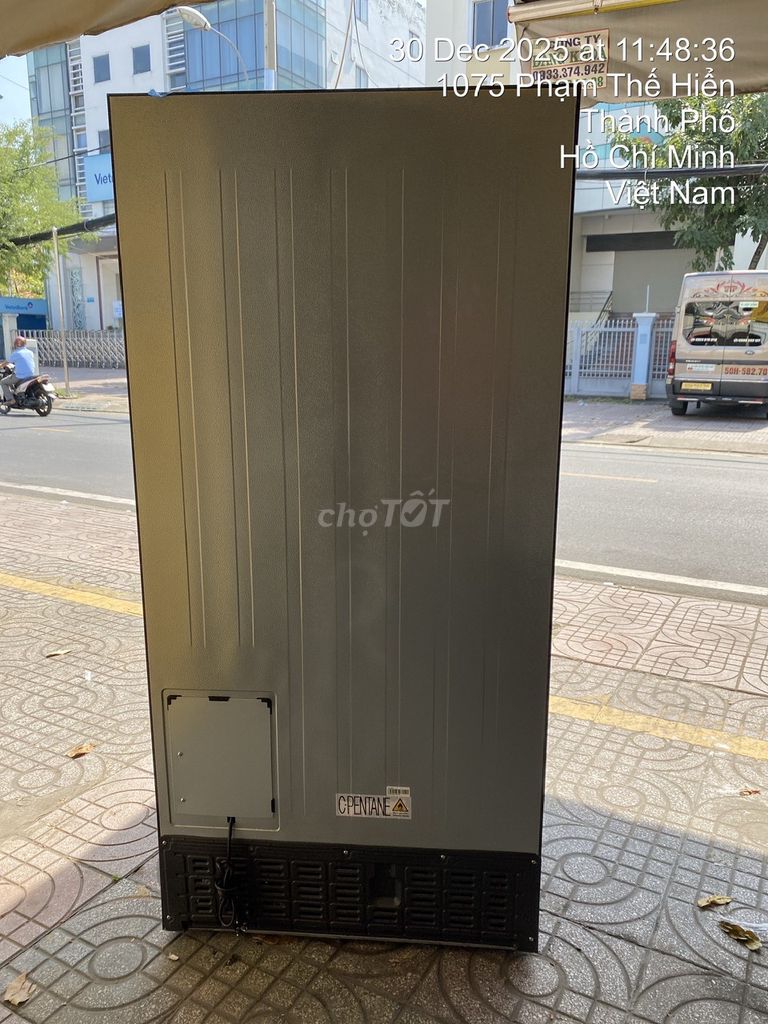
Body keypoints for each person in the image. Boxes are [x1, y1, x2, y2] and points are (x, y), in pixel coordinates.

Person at [0, 336, 37, 404]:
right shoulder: (30, 352)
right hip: (30, 375)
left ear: (16, 344)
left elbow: (6, 362)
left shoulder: (16, 353)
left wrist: (0, 365)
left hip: (20, 376)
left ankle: (10, 399)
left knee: (3, 382)